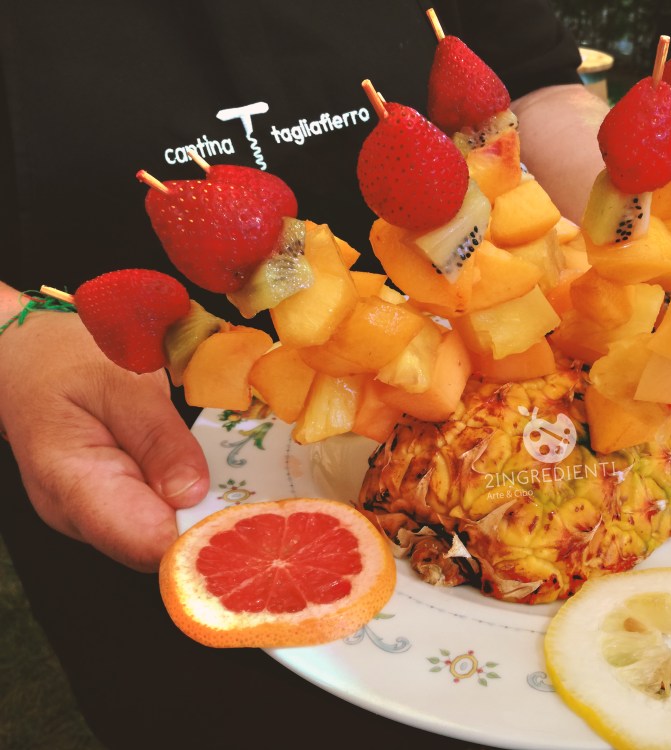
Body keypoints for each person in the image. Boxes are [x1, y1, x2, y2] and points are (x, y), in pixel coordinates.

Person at [0, 2, 608, 747]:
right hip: (130, 430)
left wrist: (632, 214)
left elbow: (539, 84)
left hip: (522, 355)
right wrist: (10, 334)